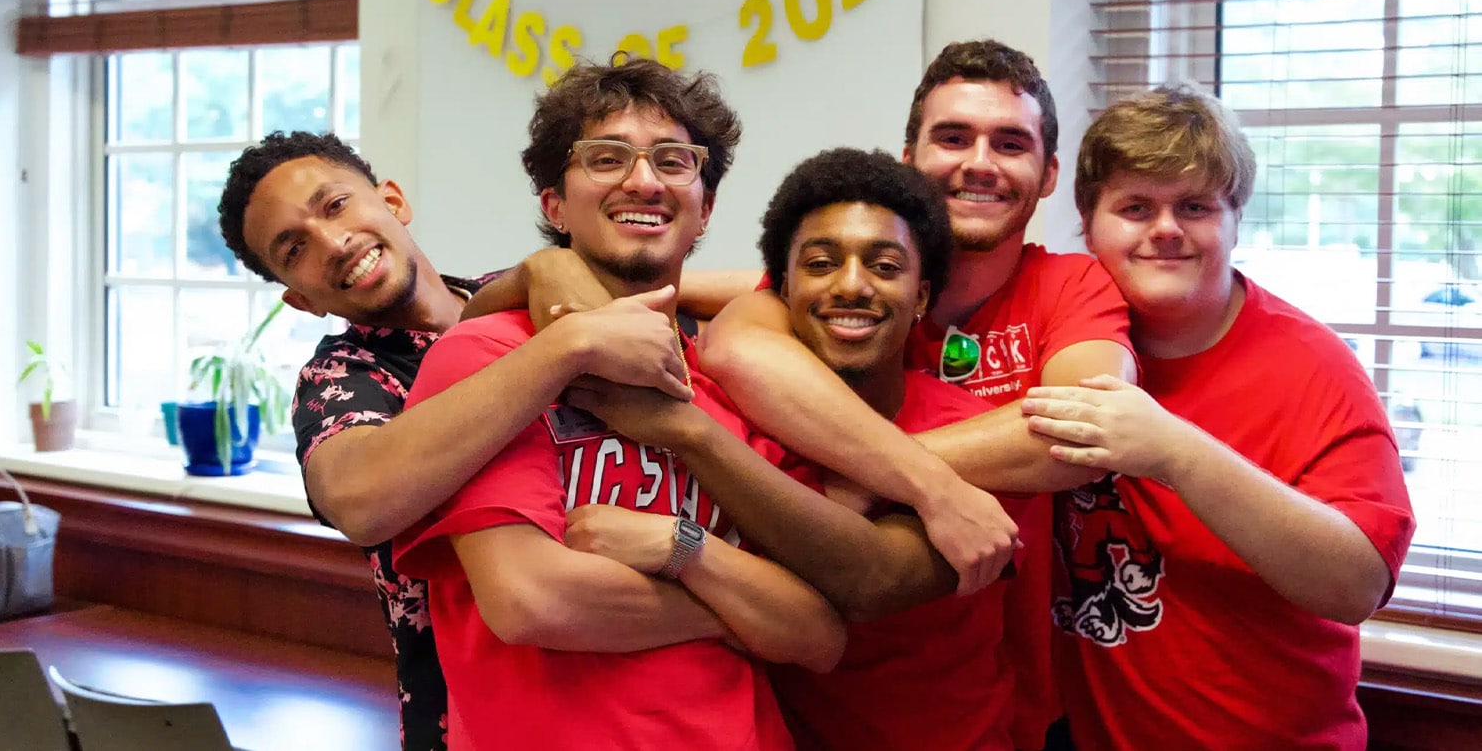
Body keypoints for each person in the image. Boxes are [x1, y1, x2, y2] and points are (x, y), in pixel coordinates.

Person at [390, 57, 845, 751]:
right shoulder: (489, 357)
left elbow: (817, 633)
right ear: (554, 205)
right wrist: (738, 610)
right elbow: (531, 600)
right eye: (606, 159)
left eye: (673, 160)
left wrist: (682, 548)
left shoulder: (736, 381)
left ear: (706, 208)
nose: (643, 180)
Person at [696, 39, 1137, 749]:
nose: (979, 163)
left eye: (1010, 143)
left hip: (991, 709)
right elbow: (735, 345)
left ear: (1049, 173)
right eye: (954, 137)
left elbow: (1087, 430)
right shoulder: (849, 296)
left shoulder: (1069, 288)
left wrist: (861, 473)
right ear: (910, 157)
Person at [218, 130, 692, 751]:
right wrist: (565, 346)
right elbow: (359, 499)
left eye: (335, 206)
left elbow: (731, 295)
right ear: (299, 299)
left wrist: (542, 268)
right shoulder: (343, 379)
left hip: (652, 702)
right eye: (294, 248)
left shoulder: (522, 297)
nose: (334, 243)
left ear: (392, 199)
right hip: (483, 721)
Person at [567, 146, 1037, 750]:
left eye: (886, 267)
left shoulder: (976, 436)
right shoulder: (734, 406)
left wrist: (685, 443)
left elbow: (870, 584)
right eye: (820, 264)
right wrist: (541, 269)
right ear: (780, 289)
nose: (851, 286)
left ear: (922, 297)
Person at [1022, 83, 1416, 749]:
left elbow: (1358, 583)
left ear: (1235, 220)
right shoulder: (1054, 337)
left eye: (1196, 206)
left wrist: (1174, 451)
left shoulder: (1312, 366)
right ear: (1088, 224)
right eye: (1135, 207)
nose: (1166, 229)